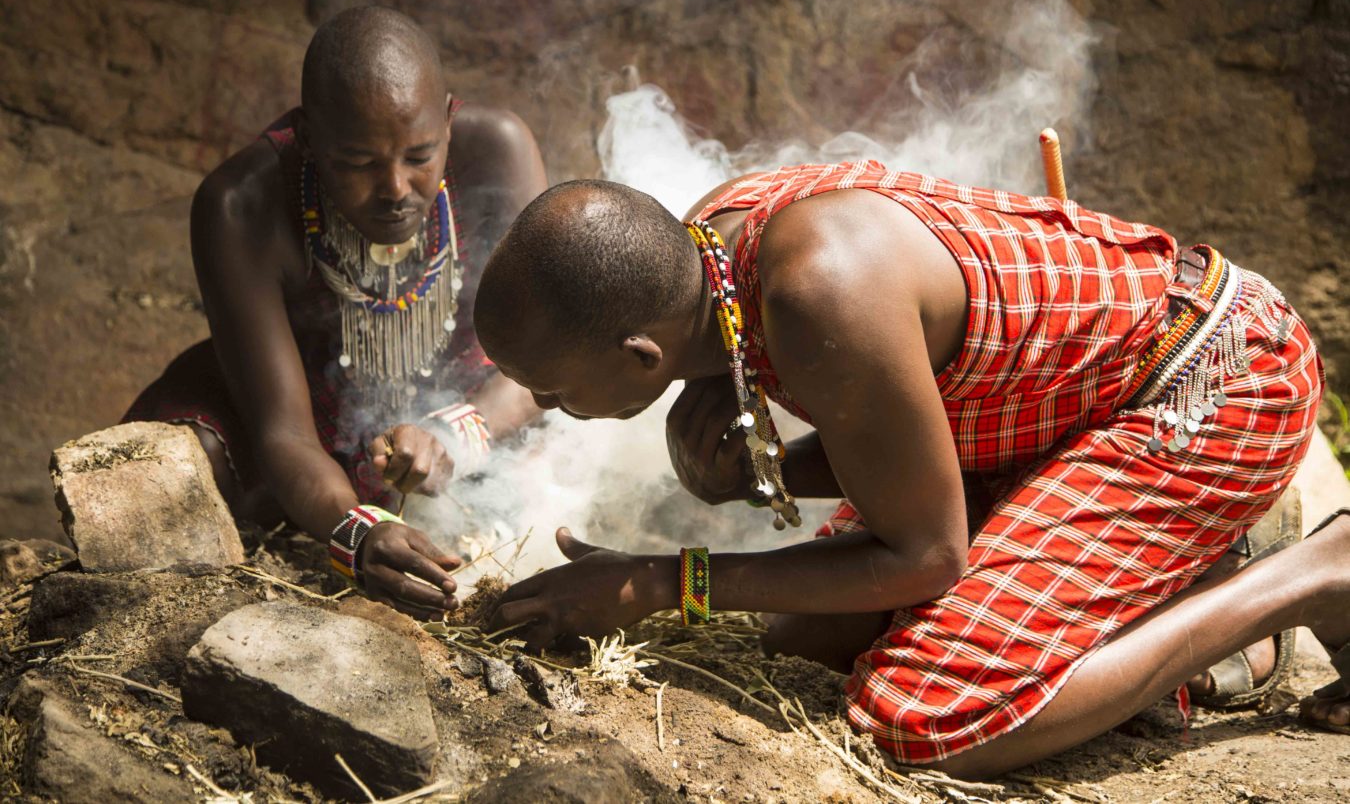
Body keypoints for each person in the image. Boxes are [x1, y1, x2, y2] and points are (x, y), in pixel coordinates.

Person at [470, 162, 1348, 777]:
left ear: (639, 355)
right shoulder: (708, 246)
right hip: (1061, 412)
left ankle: (1311, 576)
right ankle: (1169, 568)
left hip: (1211, 383)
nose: (549, 409)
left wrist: (667, 583)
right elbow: (890, 435)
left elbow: (929, 557)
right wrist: (753, 474)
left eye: (551, 390)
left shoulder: (816, 294)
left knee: (921, 714)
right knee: (809, 644)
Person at [125, 6, 543, 617]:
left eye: (419, 155)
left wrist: (451, 435)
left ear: (449, 121)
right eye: (357, 163)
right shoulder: (240, 205)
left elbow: (543, 360)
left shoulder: (497, 153)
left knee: (564, 437)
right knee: (185, 468)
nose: (396, 188)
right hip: (296, 418)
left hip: (473, 403)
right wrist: (359, 533)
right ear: (310, 139)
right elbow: (283, 430)